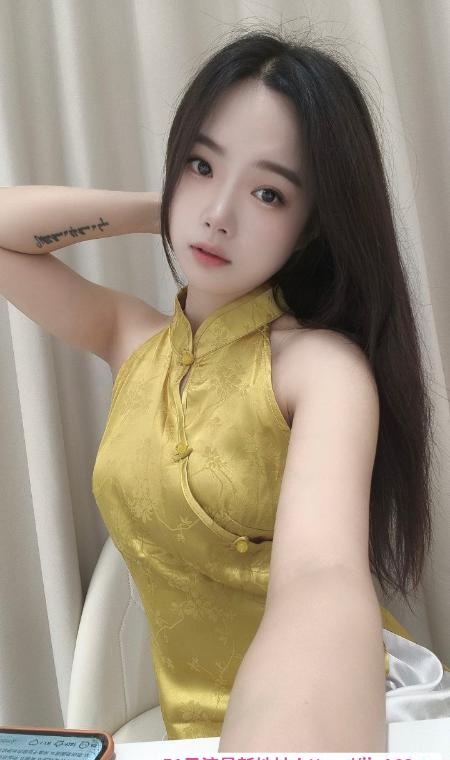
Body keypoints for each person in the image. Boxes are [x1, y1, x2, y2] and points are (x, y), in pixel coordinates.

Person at [1, 27, 449, 752]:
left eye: (269, 193)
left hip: (332, 713)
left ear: (310, 228)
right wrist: (166, 205)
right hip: (194, 732)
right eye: (202, 163)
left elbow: (321, 576)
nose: (219, 215)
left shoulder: (321, 368)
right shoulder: (132, 340)